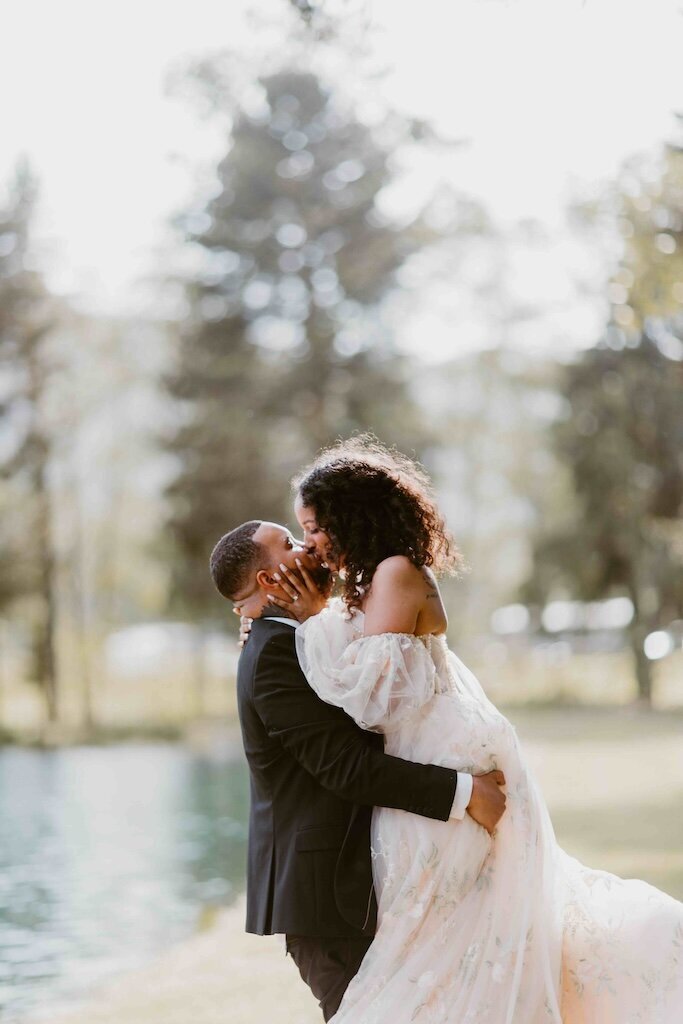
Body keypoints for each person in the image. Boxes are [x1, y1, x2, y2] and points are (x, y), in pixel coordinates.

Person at [263, 435, 683, 1024]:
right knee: (437, 934)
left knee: (443, 934)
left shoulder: (396, 572)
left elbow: (373, 697)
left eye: (314, 526)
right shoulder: (373, 580)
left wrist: (310, 620)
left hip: (444, 758)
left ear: (349, 516)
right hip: (421, 760)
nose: (309, 543)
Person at [208, 520, 506, 1022]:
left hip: (352, 885)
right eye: (291, 543)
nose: (306, 548)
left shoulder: (296, 637)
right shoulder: (273, 654)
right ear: (267, 580)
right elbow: (345, 767)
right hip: (329, 899)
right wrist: (464, 792)